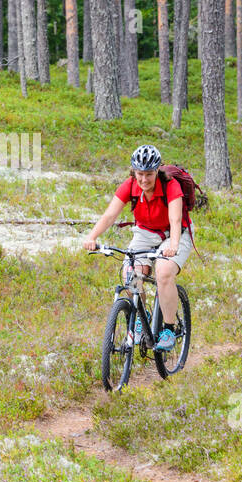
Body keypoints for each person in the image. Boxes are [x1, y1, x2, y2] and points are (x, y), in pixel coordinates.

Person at [82, 144, 192, 351]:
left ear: (157, 170)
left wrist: (174, 245)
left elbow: (175, 220)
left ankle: (168, 328)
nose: (144, 179)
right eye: (140, 174)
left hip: (174, 233)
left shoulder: (171, 187)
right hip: (145, 232)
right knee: (131, 272)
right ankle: (143, 316)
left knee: (164, 272)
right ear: (134, 171)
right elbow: (109, 215)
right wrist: (92, 237)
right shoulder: (130, 185)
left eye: (149, 174)